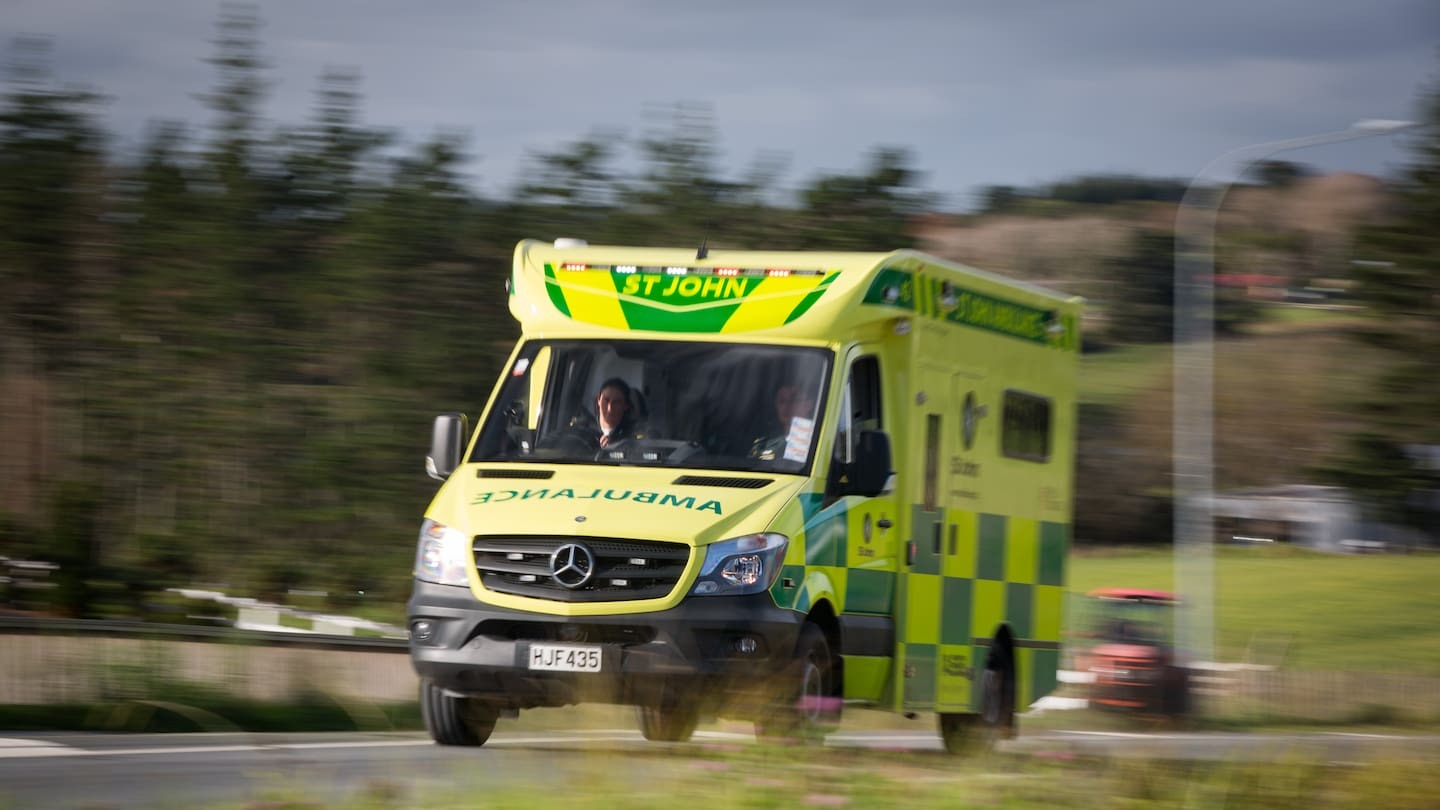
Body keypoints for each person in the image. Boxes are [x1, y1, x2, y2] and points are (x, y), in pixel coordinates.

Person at [750, 384, 816, 461]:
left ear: (809, 404)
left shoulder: (817, 439)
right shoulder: (764, 443)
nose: (786, 406)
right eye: (781, 401)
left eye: (793, 400)